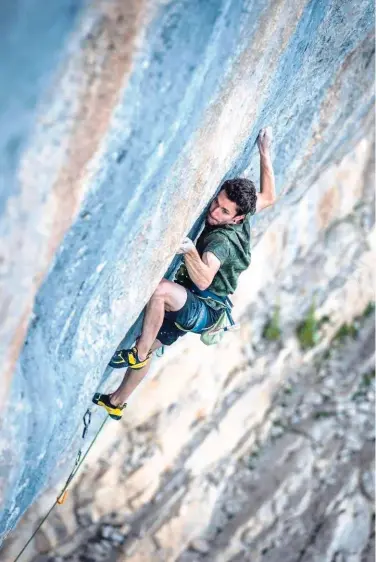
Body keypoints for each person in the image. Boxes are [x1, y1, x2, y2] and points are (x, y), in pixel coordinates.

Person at [93, 127, 276, 419]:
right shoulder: (244, 209)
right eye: (217, 203)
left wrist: (190, 250)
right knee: (152, 340)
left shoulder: (220, 242)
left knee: (161, 292)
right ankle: (116, 401)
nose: (214, 212)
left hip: (203, 308)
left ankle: (137, 354)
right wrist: (264, 153)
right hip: (199, 302)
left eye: (223, 212)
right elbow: (269, 196)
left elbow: (204, 277)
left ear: (237, 218)